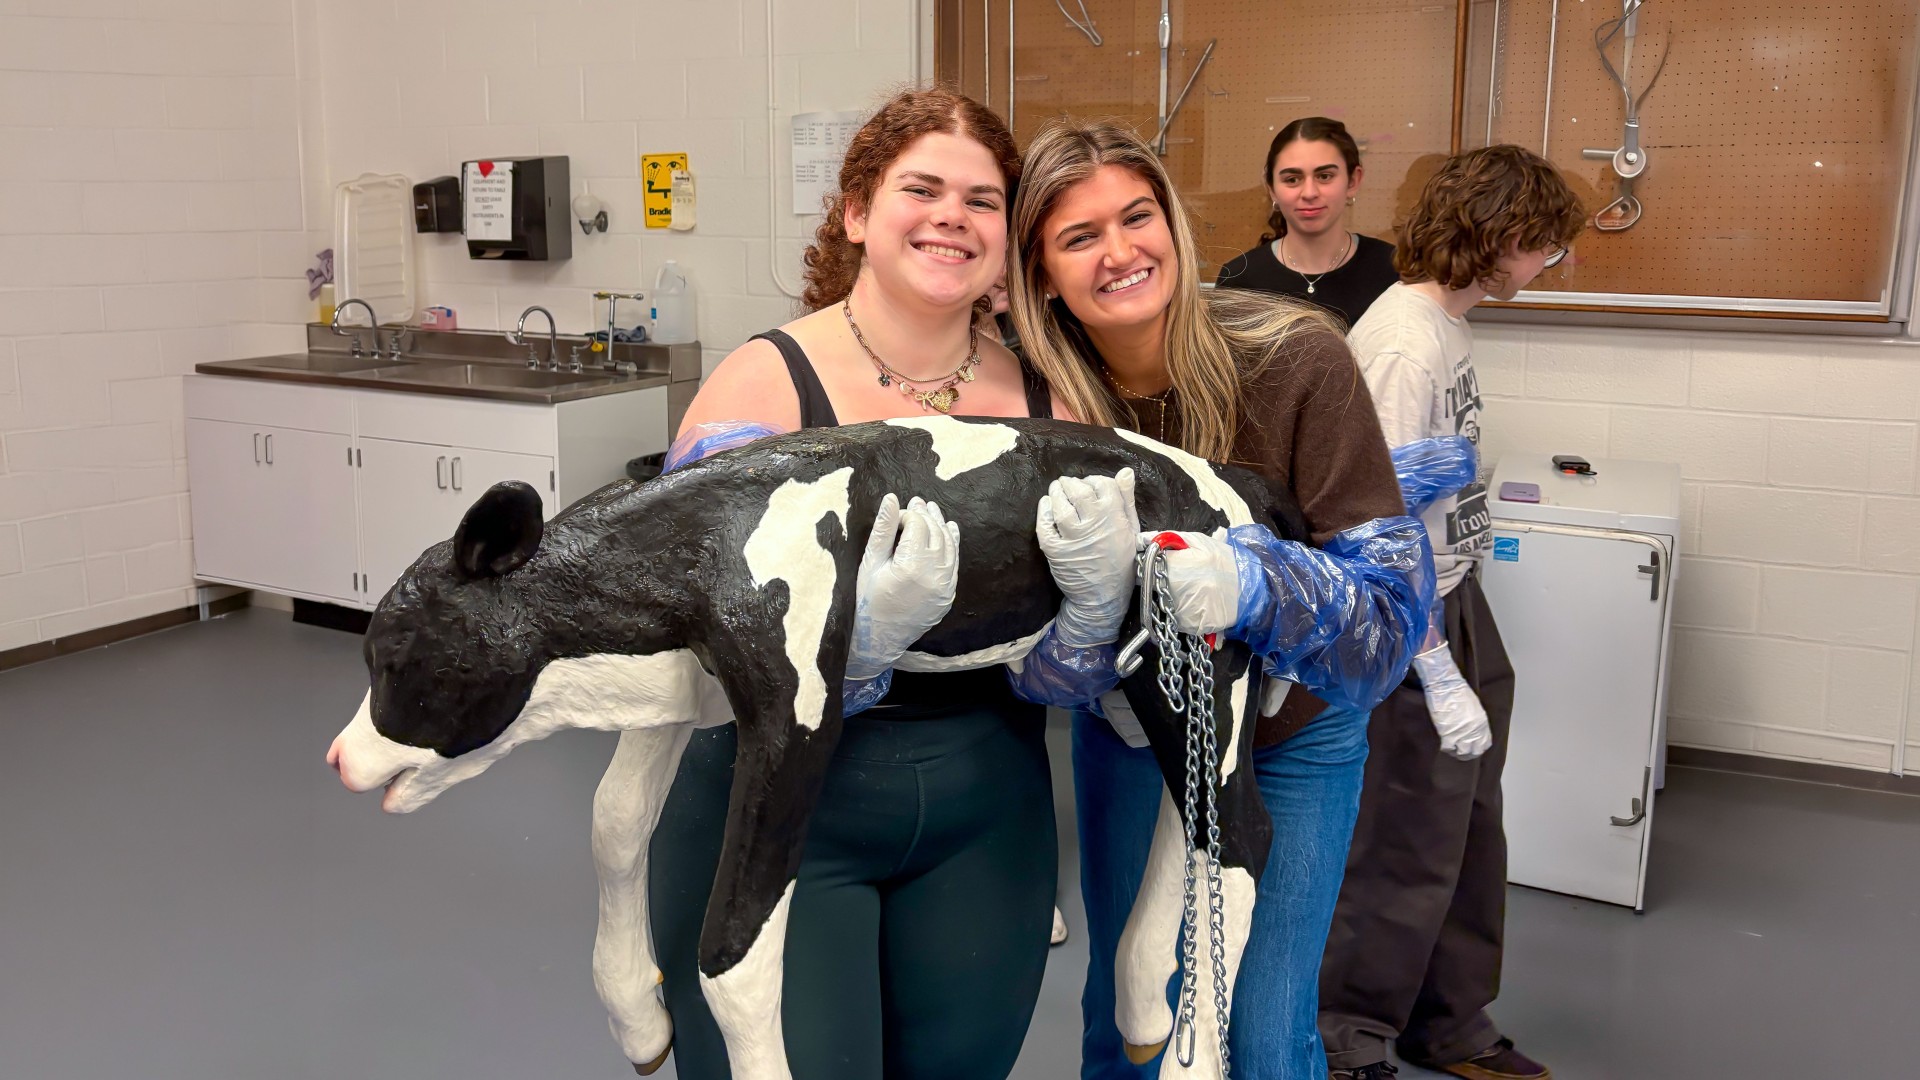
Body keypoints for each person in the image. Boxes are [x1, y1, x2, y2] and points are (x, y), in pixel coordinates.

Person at [647, 87, 1093, 1080]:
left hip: (989, 813)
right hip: (780, 808)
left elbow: (1078, 651)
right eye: (921, 188)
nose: (952, 217)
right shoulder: (764, 387)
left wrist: (1099, 616)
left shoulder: (1042, 399)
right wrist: (858, 642)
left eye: (982, 200)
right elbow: (687, 642)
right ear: (857, 212)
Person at [1003, 118, 1436, 1080]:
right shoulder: (1036, 403)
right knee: (1132, 1016)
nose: (1120, 253)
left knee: (1260, 1030)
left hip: (1292, 739)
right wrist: (1084, 651)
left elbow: (1388, 624)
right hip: (1137, 731)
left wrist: (1254, 584)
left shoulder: (1296, 359)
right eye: (1079, 237)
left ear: (1174, 222)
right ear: (1039, 272)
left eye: (1137, 217)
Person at [1320, 144, 1583, 1080]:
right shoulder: (1403, 340)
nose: (1546, 266)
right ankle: (1347, 1038)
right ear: (1506, 236)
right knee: (1402, 830)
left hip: (1457, 595)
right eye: (1545, 248)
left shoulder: (1449, 326)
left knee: (1468, 827)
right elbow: (1368, 528)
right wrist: (1431, 666)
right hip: (1406, 617)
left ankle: (1451, 1021)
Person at [1214, 117, 1399, 331]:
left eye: (1324, 176)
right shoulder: (1240, 279)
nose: (1309, 193)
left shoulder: (1393, 270)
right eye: (1292, 179)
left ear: (1352, 181)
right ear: (1272, 188)